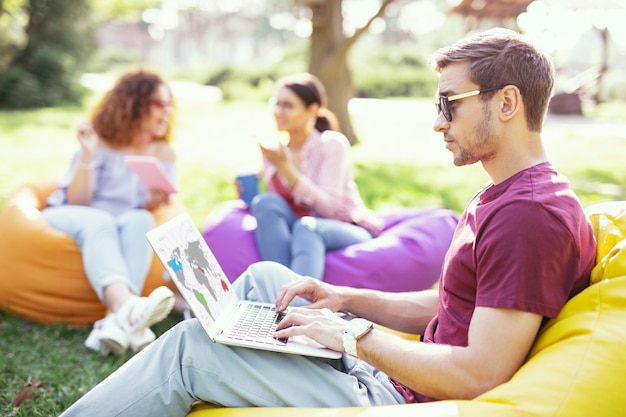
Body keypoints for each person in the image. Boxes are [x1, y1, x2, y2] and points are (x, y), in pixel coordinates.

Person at [59, 28, 597, 416]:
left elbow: (480, 375)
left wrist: (351, 336)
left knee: (187, 349)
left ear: (506, 103)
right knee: (270, 279)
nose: (437, 122)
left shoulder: (529, 215)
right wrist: (344, 297)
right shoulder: (502, 194)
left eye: (448, 104)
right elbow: (449, 305)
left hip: (395, 398)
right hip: (391, 373)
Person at [43, 68, 177, 357]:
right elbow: (77, 201)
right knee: (102, 220)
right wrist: (88, 154)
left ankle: (113, 324)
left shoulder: (163, 153)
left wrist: (155, 200)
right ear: (134, 103)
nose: (167, 112)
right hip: (71, 215)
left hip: (119, 221)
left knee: (141, 219)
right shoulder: (99, 141)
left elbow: (146, 207)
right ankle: (129, 307)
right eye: (159, 104)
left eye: (169, 105)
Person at [247, 72, 383, 279]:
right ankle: (281, 292)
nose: (278, 111)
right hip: (299, 229)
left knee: (307, 228)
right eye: (277, 103)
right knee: (265, 202)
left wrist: (285, 167)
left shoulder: (331, 145)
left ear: (313, 110)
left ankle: (296, 302)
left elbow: (330, 209)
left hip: (345, 226)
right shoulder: (275, 151)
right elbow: (277, 206)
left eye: (288, 105)